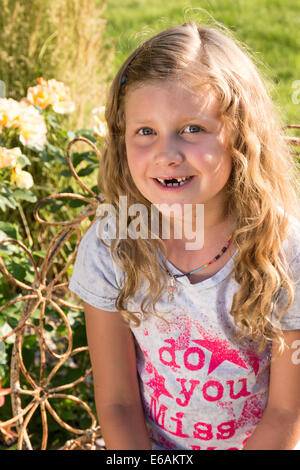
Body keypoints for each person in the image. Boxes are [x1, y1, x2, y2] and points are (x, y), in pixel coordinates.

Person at [68, 21, 300, 450]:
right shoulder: (112, 247)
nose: (166, 154)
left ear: (241, 139)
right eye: (145, 131)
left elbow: (287, 414)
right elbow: (118, 402)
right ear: (122, 141)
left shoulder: (286, 254)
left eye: (192, 129)